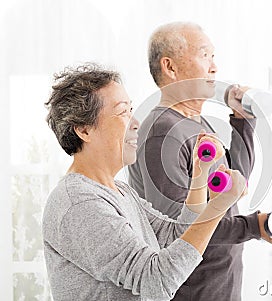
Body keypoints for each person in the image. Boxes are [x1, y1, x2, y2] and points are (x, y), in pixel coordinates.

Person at [42, 63, 248, 301]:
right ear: (84, 130)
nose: (136, 122)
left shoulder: (119, 191)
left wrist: (199, 177)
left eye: (131, 109)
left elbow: (176, 236)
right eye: (122, 112)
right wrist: (219, 206)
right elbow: (156, 281)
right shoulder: (79, 203)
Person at [128, 22, 272, 301]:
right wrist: (254, 226)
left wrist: (243, 122)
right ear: (170, 68)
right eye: (204, 55)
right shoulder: (162, 133)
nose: (214, 67)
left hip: (221, 284)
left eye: (213, 56)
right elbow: (178, 231)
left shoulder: (195, 124)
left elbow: (235, 182)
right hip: (192, 291)